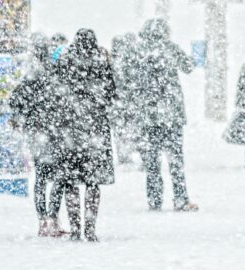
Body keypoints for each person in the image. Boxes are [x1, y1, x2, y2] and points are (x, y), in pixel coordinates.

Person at [131, 18, 198, 211]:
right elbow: (188, 67)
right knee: (176, 159)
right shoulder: (170, 48)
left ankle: (154, 199)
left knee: (152, 161)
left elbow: (128, 78)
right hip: (171, 115)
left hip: (148, 116)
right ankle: (180, 199)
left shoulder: (138, 51)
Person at [57, 29, 116, 241]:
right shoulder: (101, 61)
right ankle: (90, 230)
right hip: (95, 130)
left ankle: (75, 229)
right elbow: (111, 93)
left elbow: (56, 94)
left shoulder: (65, 61)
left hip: (70, 130)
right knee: (93, 182)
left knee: (70, 181)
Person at [9, 32, 68, 237]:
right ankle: (53, 217)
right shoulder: (57, 73)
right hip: (56, 131)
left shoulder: (31, 76)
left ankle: (43, 220)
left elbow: (16, 101)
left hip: (37, 131)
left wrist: (24, 118)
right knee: (59, 177)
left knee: (41, 177)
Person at [111, 33, 137, 164]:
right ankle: (127, 153)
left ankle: (123, 155)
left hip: (117, 102)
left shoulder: (111, 61)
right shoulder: (131, 60)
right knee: (130, 128)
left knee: (120, 130)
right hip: (129, 101)